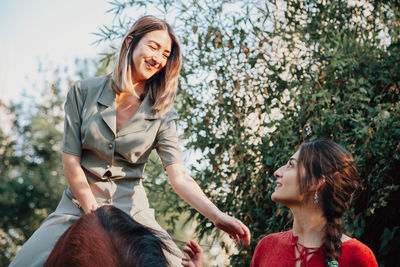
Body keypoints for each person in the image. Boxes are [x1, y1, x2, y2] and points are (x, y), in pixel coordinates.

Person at [10, 15, 250, 267]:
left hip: (134, 214)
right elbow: (71, 161)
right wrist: (93, 212)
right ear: (129, 43)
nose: (159, 58)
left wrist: (217, 216)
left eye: (166, 54)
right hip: (77, 207)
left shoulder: (163, 112)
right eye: (153, 47)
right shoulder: (83, 91)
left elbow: (179, 176)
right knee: (23, 263)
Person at [250, 140, 378, 267]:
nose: (277, 172)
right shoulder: (266, 247)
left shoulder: (357, 256)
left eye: (291, 165)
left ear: (315, 183)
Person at [44, 205, 175, 267]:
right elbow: (71, 164)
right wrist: (93, 214)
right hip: (80, 202)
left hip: (134, 208)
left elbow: (180, 176)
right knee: (27, 260)